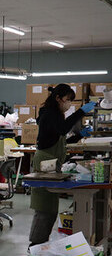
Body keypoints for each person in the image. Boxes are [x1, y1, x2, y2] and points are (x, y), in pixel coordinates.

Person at [29, 84, 96, 246]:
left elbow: (60, 139)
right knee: (44, 207)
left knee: (51, 208)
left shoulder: (56, 114)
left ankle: (41, 244)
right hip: (44, 163)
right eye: (68, 100)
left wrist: (79, 136)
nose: (69, 104)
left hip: (52, 163)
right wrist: (81, 112)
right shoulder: (49, 114)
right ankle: (35, 245)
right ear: (58, 98)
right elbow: (63, 129)